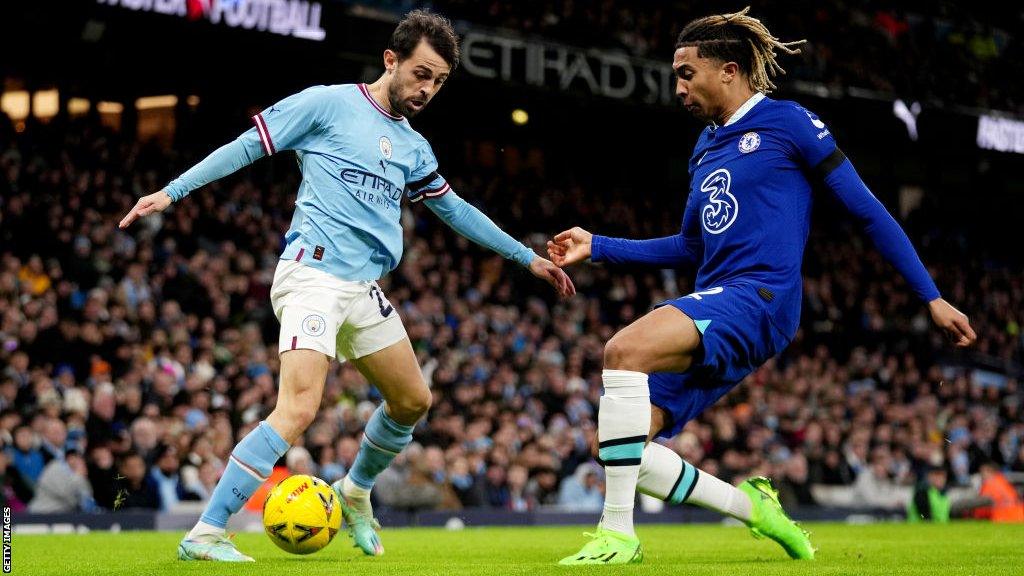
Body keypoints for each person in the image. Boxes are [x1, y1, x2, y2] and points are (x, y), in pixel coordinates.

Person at [118, 9, 574, 563]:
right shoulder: (327, 103)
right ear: (391, 59)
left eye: (439, 81)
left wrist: (526, 258)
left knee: (411, 400)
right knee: (298, 409)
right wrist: (172, 192)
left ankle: (354, 491)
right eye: (421, 73)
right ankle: (206, 533)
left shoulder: (414, 147)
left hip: (362, 287)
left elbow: (455, 210)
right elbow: (246, 146)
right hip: (312, 274)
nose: (427, 89)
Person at [547, 6, 976, 565]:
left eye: (685, 72)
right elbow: (690, 248)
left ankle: (618, 534)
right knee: (623, 448)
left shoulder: (789, 122)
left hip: (762, 296)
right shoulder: (704, 148)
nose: (676, 85)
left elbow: (869, 212)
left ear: (728, 70)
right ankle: (757, 511)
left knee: (622, 351)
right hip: (720, 300)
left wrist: (931, 296)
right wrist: (599, 245)